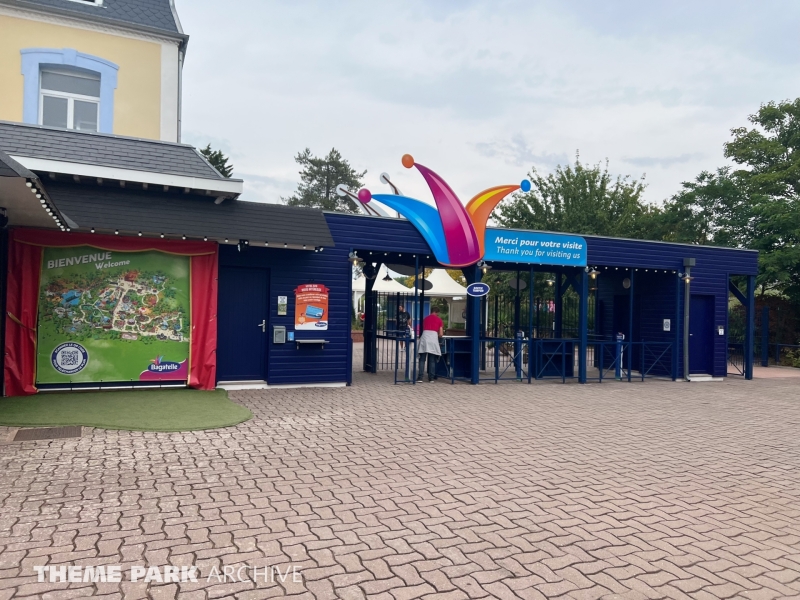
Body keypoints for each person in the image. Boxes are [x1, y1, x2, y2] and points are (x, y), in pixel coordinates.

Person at [418, 306, 443, 382]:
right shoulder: (439, 320)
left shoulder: (425, 319)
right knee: (432, 360)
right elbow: (441, 334)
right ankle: (431, 378)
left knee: (422, 359)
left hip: (424, 338)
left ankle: (420, 377)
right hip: (433, 339)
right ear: (437, 312)